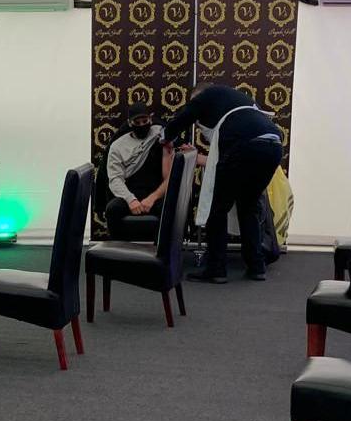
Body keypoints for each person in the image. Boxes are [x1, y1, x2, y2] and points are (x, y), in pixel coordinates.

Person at [162, 83, 283, 283]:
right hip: (273, 146)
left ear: (197, 97)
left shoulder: (206, 95)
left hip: (244, 146)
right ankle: (256, 266)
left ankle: (216, 269)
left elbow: (183, 118)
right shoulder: (240, 100)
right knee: (249, 206)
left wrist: (165, 137)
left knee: (218, 208)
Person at [103, 102, 175, 240]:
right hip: (130, 193)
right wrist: (131, 200)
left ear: (151, 119)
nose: (142, 125)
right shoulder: (117, 146)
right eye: (137, 122)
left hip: (157, 193)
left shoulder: (159, 134)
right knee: (113, 209)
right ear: (129, 123)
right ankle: (119, 253)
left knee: (169, 208)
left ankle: (163, 255)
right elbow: (115, 179)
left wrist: (152, 198)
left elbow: (170, 177)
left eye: (145, 121)